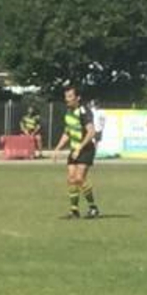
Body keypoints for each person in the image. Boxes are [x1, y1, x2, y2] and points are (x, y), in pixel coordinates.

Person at [53, 85, 101, 219]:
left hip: (86, 149)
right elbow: (67, 132)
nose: (67, 100)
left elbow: (91, 132)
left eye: (70, 97)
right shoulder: (68, 112)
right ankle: (74, 210)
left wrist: (80, 147)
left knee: (80, 178)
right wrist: (57, 148)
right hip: (75, 149)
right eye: (66, 97)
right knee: (71, 179)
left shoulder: (84, 111)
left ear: (77, 98)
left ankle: (93, 208)